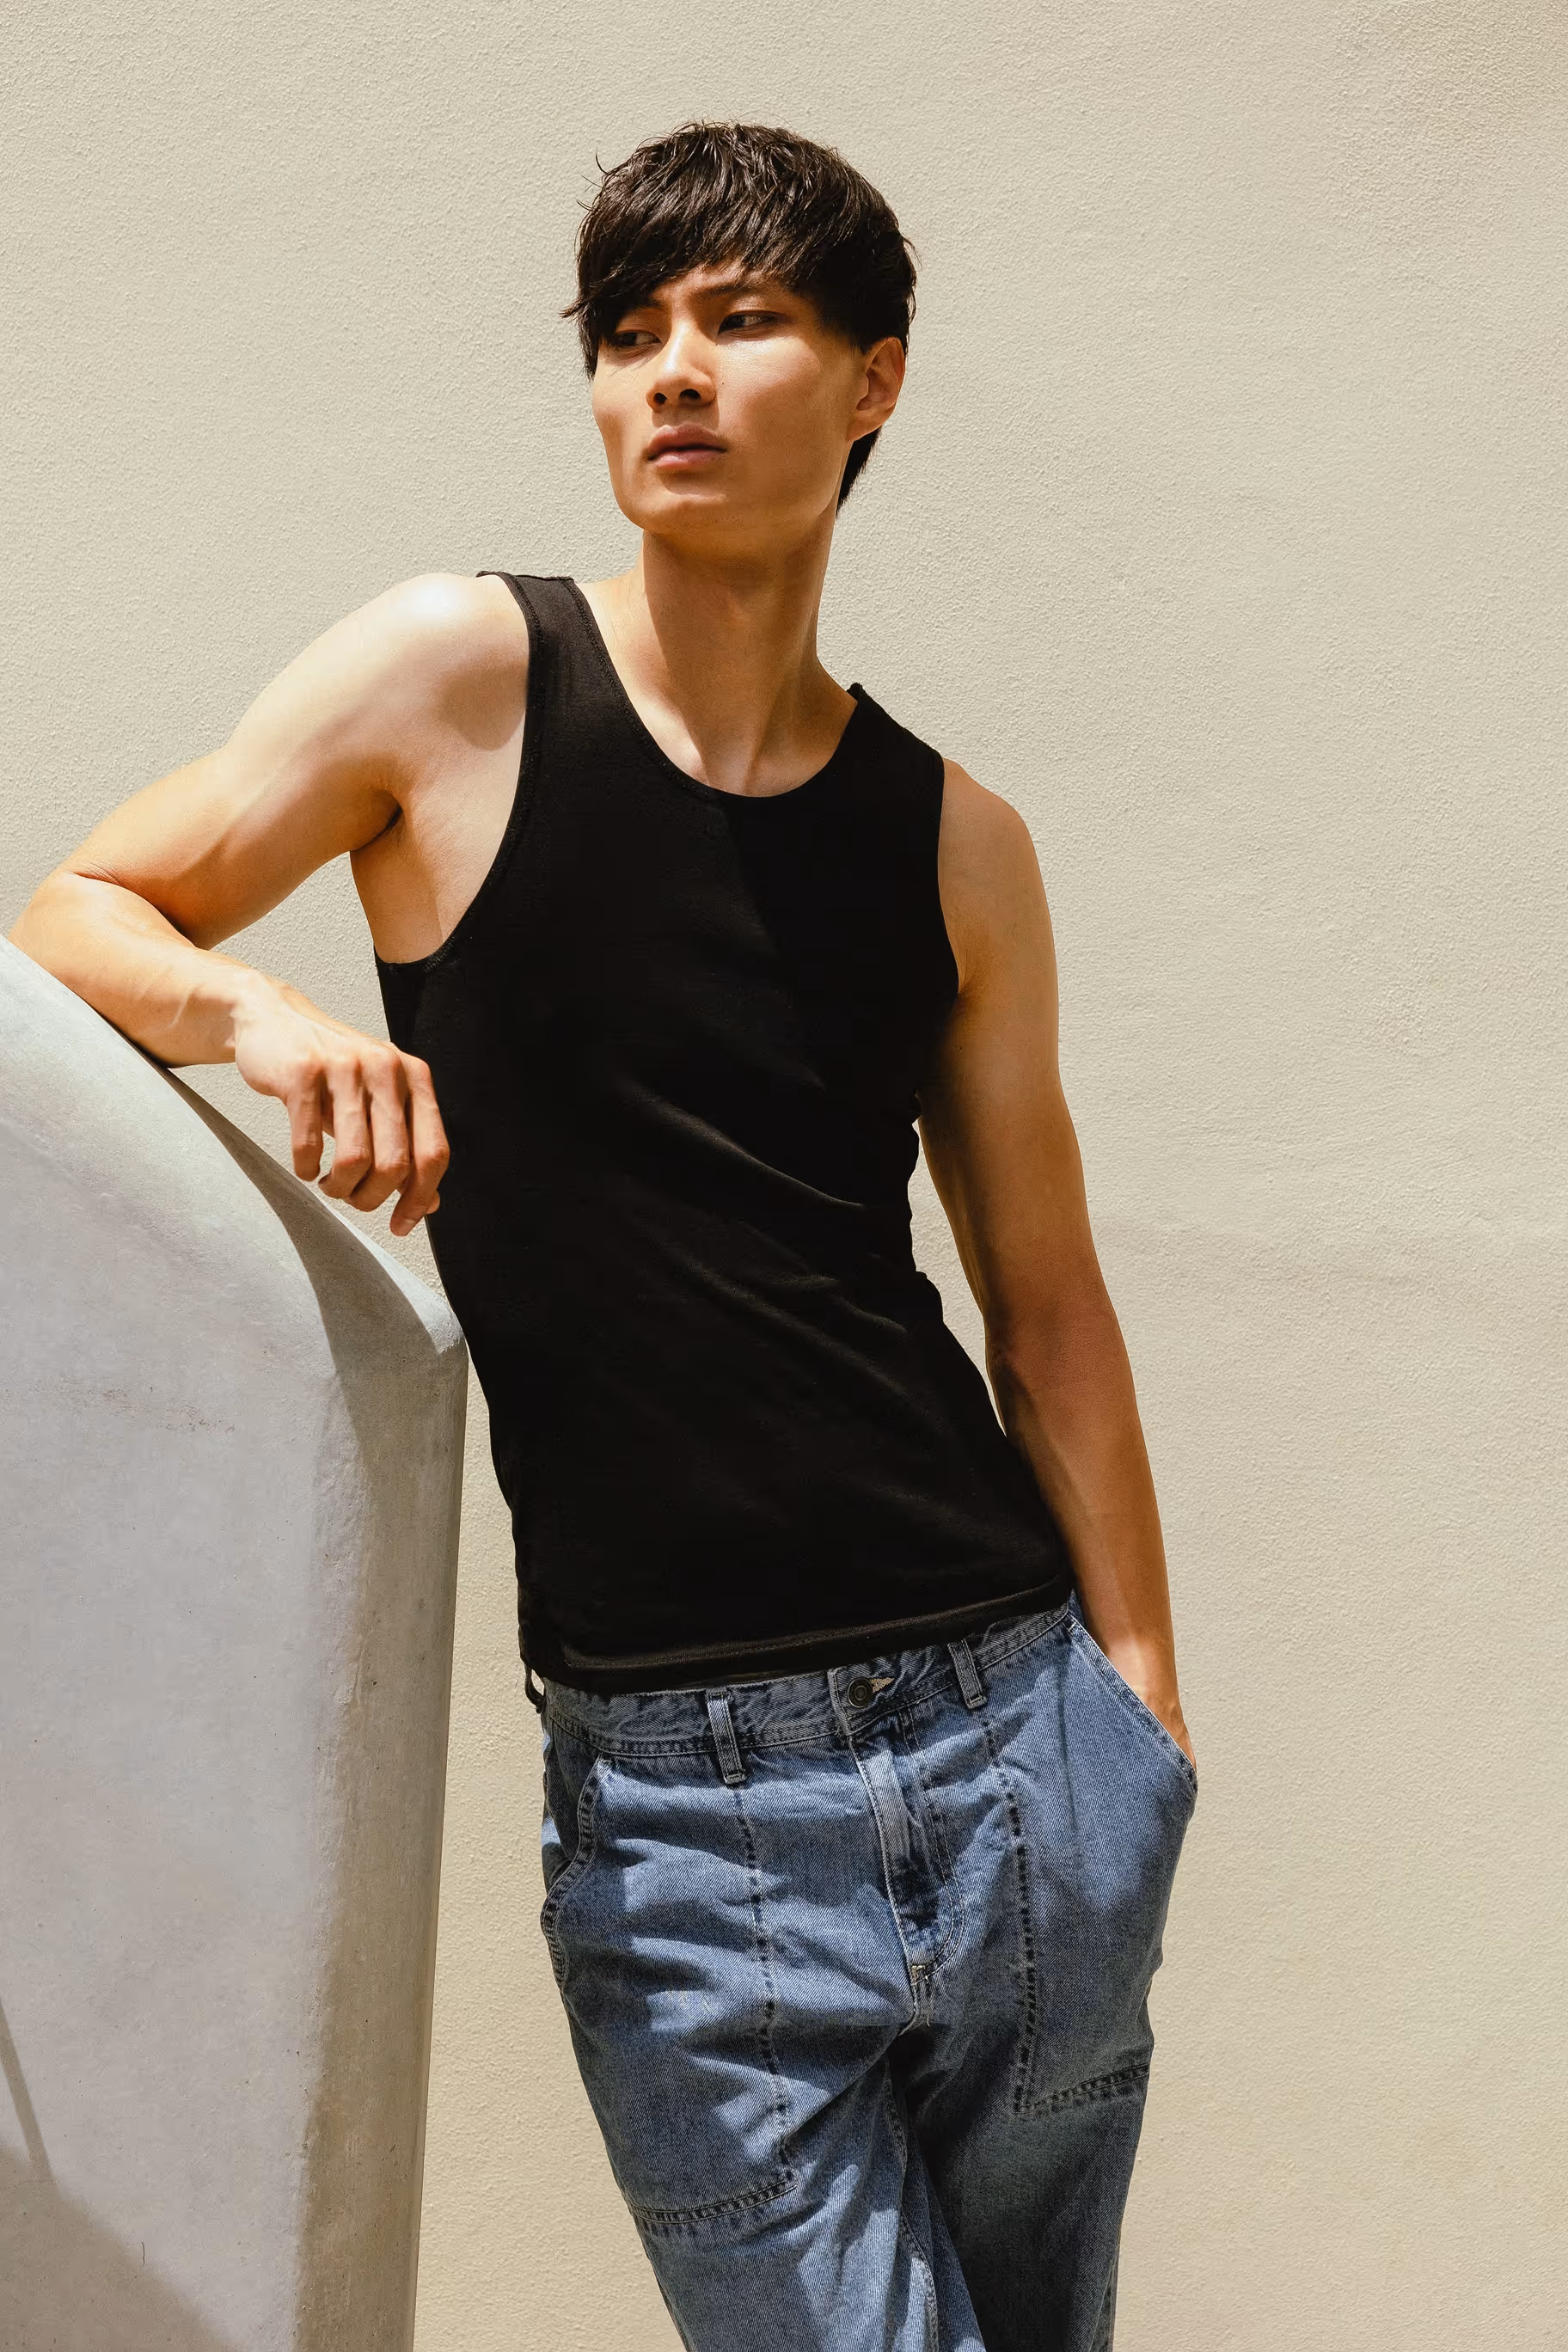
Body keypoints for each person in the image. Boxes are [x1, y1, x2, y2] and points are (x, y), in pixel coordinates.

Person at [13, 119, 1196, 2352]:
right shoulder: (459, 679)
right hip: (684, 1814)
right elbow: (78, 911)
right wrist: (267, 1019)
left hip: (1015, 1743)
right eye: (630, 331)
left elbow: (1044, 1307)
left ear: (876, 380)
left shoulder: (958, 844)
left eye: (745, 321)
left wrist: (1137, 1714)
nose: (673, 372)